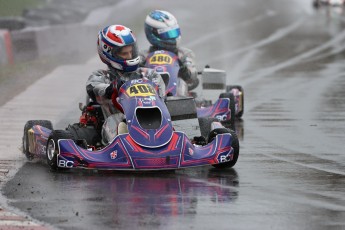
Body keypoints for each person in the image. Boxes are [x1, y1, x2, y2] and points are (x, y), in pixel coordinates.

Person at [86, 24, 165, 145]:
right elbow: (93, 88)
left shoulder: (149, 74)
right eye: (124, 53)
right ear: (109, 54)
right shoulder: (101, 76)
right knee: (118, 121)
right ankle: (123, 144)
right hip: (117, 125)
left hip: (149, 120)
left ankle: (167, 140)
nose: (129, 56)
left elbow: (161, 96)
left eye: (131, 52)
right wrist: (111, 88)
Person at [139, 10, 199, 91]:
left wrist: (183, 69)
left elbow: (192, 76)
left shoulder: (184, 54)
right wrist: (141, 68)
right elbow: (130, 77)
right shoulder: (142, 56)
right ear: (153, 34)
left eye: (174, 32)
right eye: (168, 34)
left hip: (180, 96)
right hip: (150, 95)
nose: (173, 37)